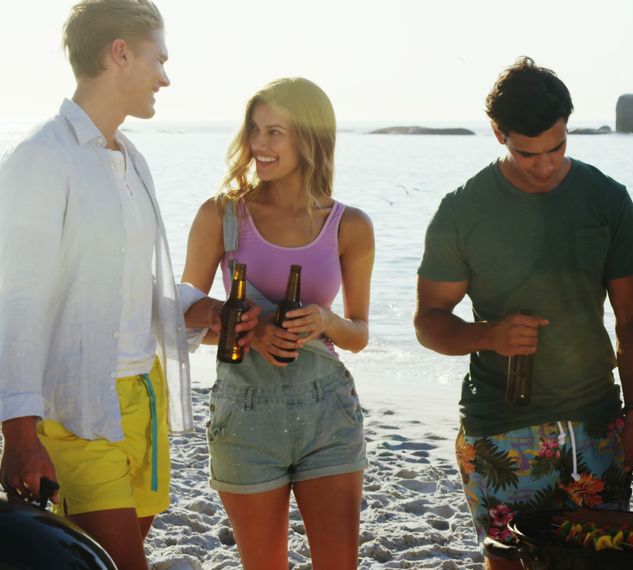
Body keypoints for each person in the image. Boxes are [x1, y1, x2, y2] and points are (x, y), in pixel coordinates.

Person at [0, 2, 242, 568]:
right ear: (120, 53)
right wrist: (20, 433)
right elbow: (16, 300)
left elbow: (126, 288)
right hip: (77, 409)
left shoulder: (132, 159)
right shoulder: (40, 158)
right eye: (160, 58)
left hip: (144, 398)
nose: (165, 76)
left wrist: (200, 310)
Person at [414, 57, 633, 570]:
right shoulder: (462, 210)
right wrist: (489, 334)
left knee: (603, 562)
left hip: (599, 425)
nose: (546, 165)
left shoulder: (607, 199)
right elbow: (429, 321)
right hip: (501, 429)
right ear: (498, 133)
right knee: (512, 565)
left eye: (557, 147)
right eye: (529, 153)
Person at [181, 77, 374, 569]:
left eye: (275, 132)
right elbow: (184, 319)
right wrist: (246, 328)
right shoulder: (221, 216)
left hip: (327, 411)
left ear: (310, 138)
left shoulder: (349, 225)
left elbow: (358, 334)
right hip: (245, 413)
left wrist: (325, 320)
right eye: (254, 130)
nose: (259, 145)